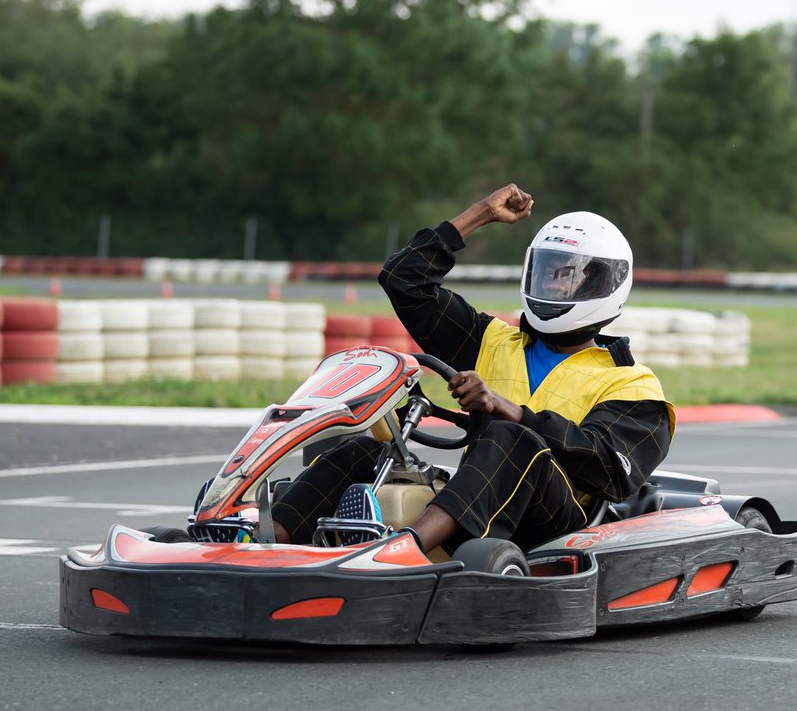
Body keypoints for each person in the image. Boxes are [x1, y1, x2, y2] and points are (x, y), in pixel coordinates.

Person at [270, 183, 674, 554]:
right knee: (364, 449)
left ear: (606, 286)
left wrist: (507, 409)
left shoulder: (632, 383)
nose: (554, 287)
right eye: (548, 274)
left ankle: (403, 552)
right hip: (476, 505)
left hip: (555, 526)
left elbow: (610, 471)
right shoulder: (492, 340)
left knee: (511, 436)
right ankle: (263, 543)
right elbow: (403, 281)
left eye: (569, 279)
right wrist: (481, 213)